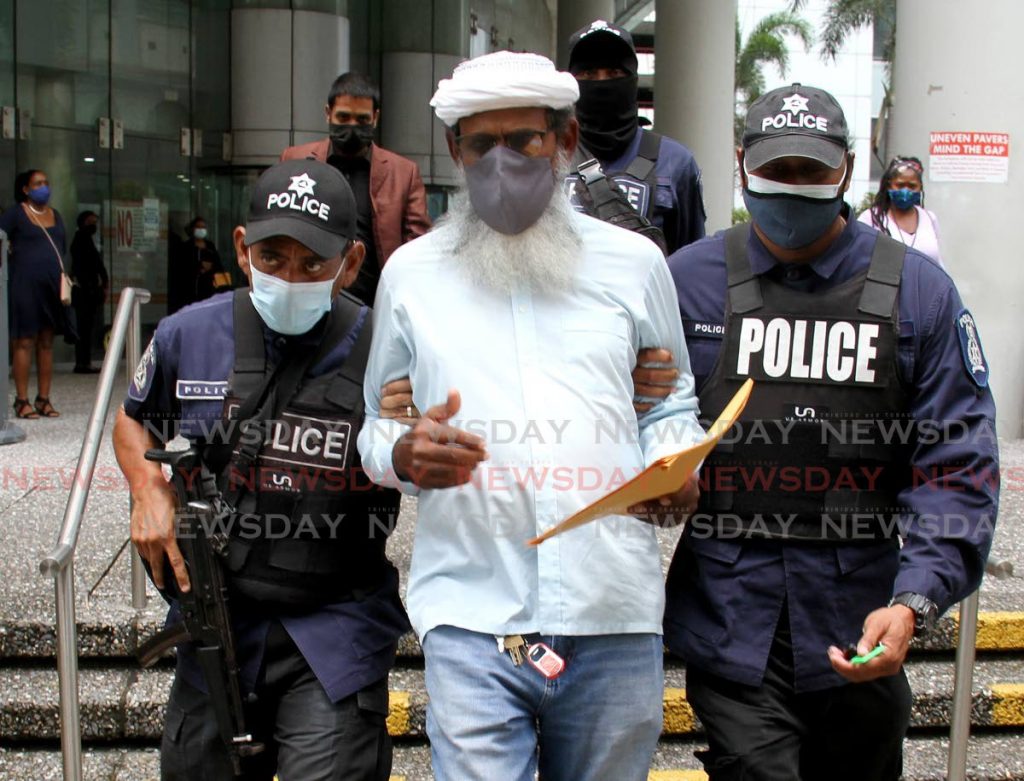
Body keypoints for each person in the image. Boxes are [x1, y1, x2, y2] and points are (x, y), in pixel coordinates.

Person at [357, 51, 704, 781]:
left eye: (525, 141)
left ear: (567, 138)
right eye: (482, 144)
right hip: (472, 611)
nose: (502, 162)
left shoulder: (635, 265)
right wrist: (404, 454)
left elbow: (668, 401)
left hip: (610, 606)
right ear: (455, 149)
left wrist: (676, 463)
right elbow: (377, 425)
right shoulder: (411, 277)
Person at [658, 84, 998, 780]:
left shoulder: (919, 294)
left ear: (846, 167)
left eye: (811, 172)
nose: (792, 188)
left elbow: (957, 465)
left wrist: (914, 600)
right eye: (777, 171)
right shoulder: (686, 284)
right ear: (741, 162)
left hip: (860, 617)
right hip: (731, 616)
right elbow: (630, 422)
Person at [112, 158, 410, 780]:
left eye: (312, 264)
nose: (290, 276)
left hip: (335, 626)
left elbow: (421, 452)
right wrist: (148, 488)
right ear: (243, 249)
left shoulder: (388, 348)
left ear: (351, 264)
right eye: (273, 258)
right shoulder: (188, 335)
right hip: (217, 623)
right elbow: (132, 418)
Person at [281, 71, 432, 306]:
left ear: (375, 117)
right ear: (328, 114)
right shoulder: (295, 160)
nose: (352, 127)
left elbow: (419, 247)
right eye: (343, 117)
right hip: (309, 297)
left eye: (361, 120)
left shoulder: (403, 173)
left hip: (375, 304)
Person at [565, 19, 706, 254]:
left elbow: (689, 264)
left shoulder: (675, 162)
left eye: (614, 72)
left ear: (634, 80)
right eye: (589, 73)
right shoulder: (548, 157)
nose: (602, 83)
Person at [0, 169, 71, 418]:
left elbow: (61, 247)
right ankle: (22, 400)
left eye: (46, 182)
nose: (44, 187)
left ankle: (44, 398)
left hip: (51, 287)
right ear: (26, 189)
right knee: (24, 342)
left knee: (46, 342)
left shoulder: (56, 215)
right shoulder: (15, 214)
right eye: (38, 183)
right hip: (24, 286)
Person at [859, 155, 943, 266]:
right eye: (900, 185)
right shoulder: (871, 218)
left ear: (920, 187)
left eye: (912, 186)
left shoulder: (930, 218)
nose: (906, 191)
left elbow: (938, 263)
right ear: (889, 186)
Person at [70, 210, 109, 373]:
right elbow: (85, 266)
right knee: (84, 328)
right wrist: (91, 286)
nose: (94, 226)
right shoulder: (81, 241)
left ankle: (84, 361)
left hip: (90, 289)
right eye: (91, 222)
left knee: (86, 327)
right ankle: (83, 362)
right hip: (85, 291)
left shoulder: (87, 240)